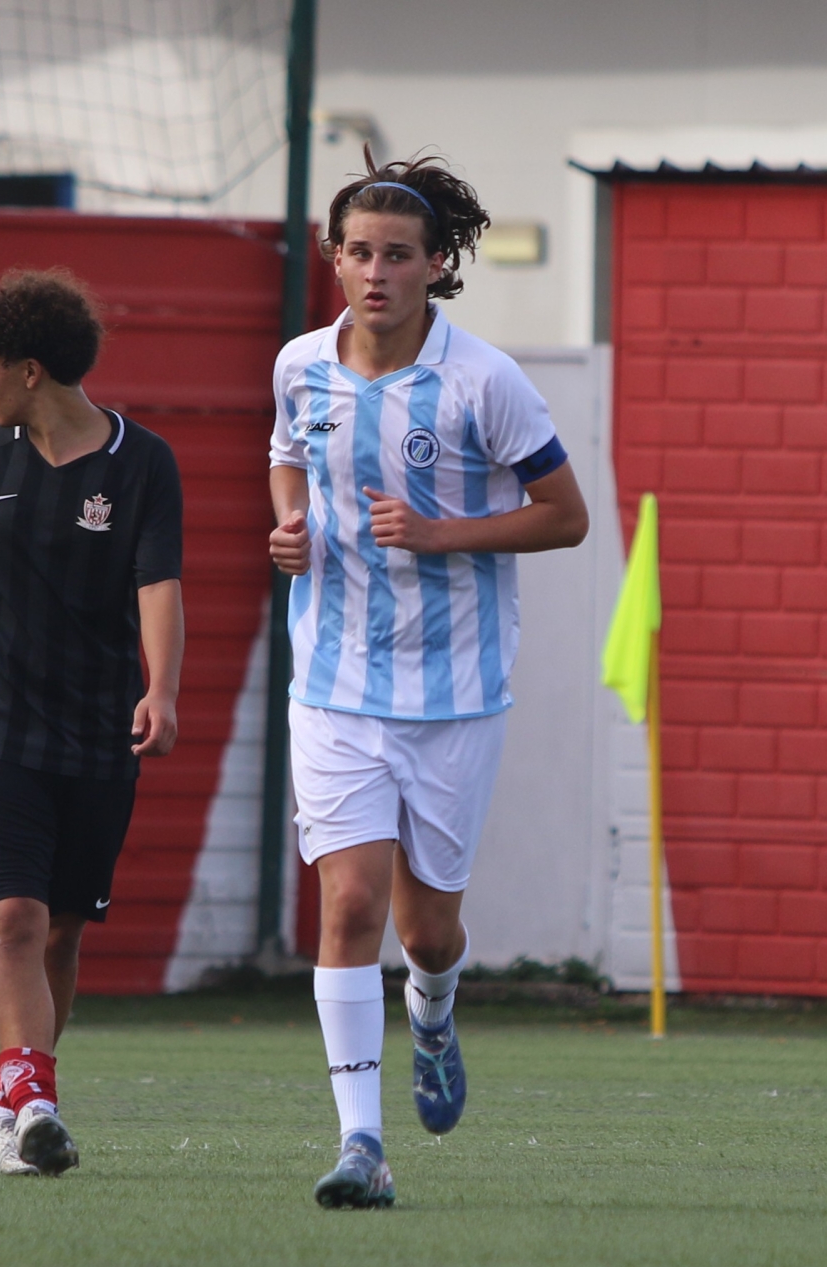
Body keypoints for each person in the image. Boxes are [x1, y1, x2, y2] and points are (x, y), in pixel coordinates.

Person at [267, 153, 590, 1209]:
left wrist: (443, 533)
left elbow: (566, 516)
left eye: (397, 256)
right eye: (359, 253)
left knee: (427, 932)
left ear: (436, 265)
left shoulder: (485, 381)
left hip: (454, 692)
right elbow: (287, 455)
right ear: (336, 259)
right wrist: (290, 523)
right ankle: (361, 1143)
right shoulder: (300, 365)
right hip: (333, 683)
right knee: (350, 902)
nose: (376, 273)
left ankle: (435, 1010)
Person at [0, 269, 185, 1178]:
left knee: (60, 929)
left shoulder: (143, 461)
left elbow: (159, 586)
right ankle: (35, 1103)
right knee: (12, 915)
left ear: (29, 370)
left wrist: (162, 689)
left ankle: (9, 1102)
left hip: (97, 734)